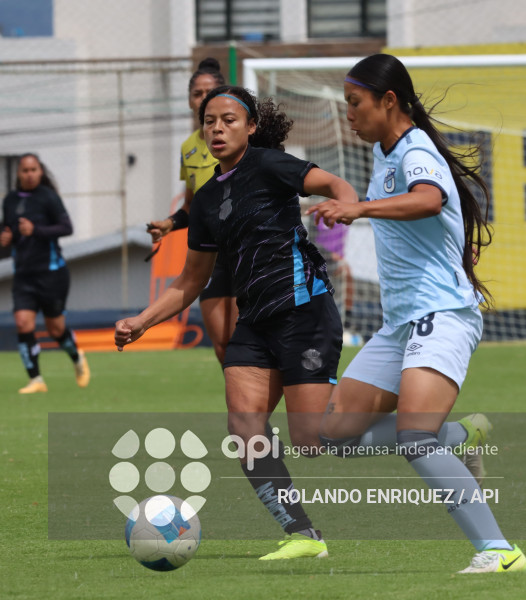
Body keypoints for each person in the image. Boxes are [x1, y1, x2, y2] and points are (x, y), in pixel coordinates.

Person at [116, 85, 358, 559]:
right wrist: (143, 320)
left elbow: (332, 184)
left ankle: (438, 438)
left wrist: (346, 204)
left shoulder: (270, 165)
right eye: (210, 121)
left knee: (313, 440)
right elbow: (190, 282)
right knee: (245, 429)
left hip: (303, 311)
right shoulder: (205, 201)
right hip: (254, 322)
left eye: (228, 119)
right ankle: (303, 536)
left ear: (250, 127)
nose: (217, 128)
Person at [308, 54, 526, 574]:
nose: (349, 115)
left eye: (355, 104)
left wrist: (358, 208)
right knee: (333, 435)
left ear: (389, 102)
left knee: (413, 437)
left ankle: (499, 552)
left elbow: (429, 200)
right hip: (399, 324)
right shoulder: (386, 154)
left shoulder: (414, 150)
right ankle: (462, 435)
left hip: (443, 314)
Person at [146, 58, 238, 364]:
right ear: (189, 100)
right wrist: (168, 224)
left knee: (244, 342)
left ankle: (257, 408)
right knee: (222, 345)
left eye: (209, 92)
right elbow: (191, 205)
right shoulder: (188, 147)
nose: (202, 99)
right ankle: (244, 411)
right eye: (197, 93)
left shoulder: (239, 141)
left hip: (243, 251)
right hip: (208, 256)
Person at [0, 153, 90, 394]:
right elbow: (11, 231)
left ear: (40, 172)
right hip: (23, 275)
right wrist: (7, 237)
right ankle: (36, 379)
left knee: (55, 330)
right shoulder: (10, 200)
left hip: (52, 274)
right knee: (23, 323)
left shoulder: (49, 198)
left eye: (33, 170)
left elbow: (66, 227)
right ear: (18, 174)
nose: (29, 175)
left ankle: (77, 357)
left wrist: (35, 229)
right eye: (25, 171)